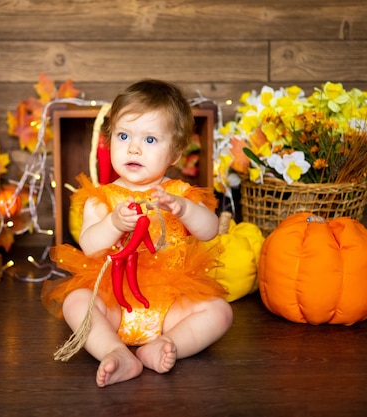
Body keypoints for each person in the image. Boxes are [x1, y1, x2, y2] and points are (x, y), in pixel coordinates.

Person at [42, 79, 233, 387]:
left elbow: (210, 230)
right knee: (75, 302)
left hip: (171, 306)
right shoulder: (101, 197)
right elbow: (89, 245)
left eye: (150, 140)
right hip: (115, 301)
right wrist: (114, 224)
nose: (133, 147)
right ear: (109, 140)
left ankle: (167, 343)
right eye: (123, 135)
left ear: (175, 153)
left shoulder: (179, 193)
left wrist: (183, 209)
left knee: (220, 312)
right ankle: (115, 351)